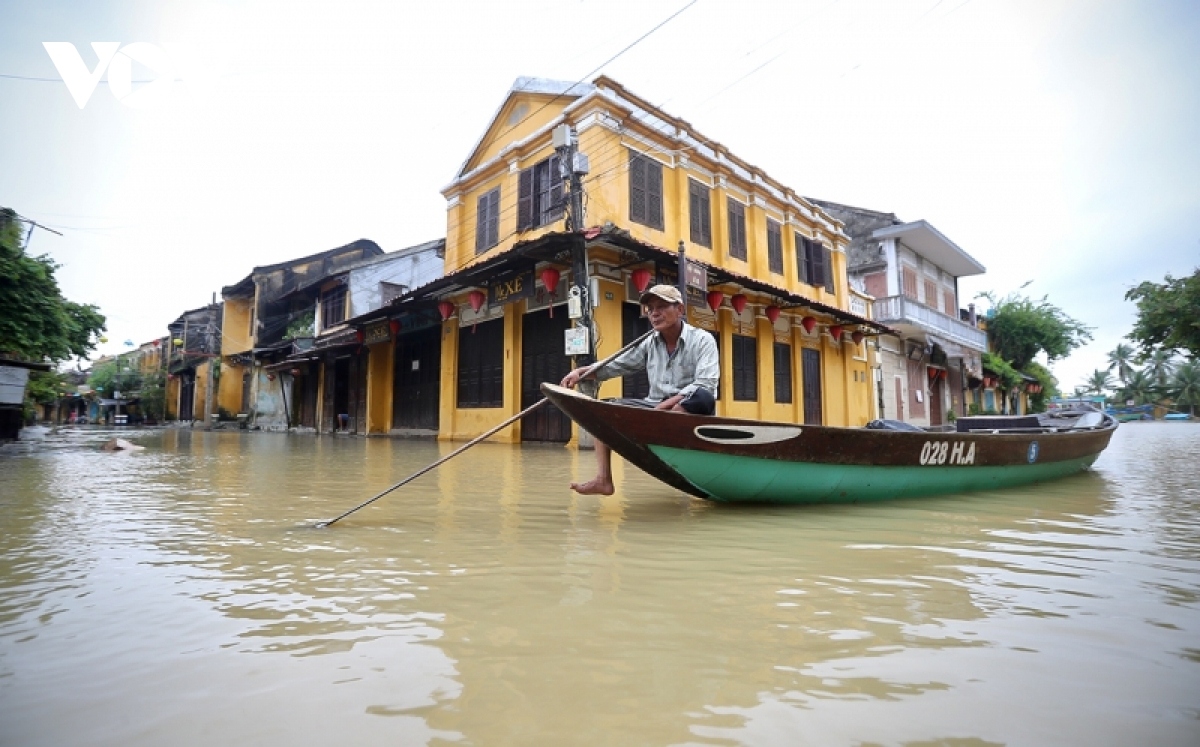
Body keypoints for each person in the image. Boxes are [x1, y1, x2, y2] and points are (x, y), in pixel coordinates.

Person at [559, 284, 719, 495]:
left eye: (661, 306)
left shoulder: (702, 340)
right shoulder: (649, 343)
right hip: (655, 407)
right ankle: (603, 479)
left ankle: (670, 439)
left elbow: (706, 383)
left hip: (689, 409)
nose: (654, 313)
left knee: (702, 396)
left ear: (680, 310)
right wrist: (581, 372)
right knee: (603, 409)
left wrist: (665, 406)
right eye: (650, 309)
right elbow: (615, 365)